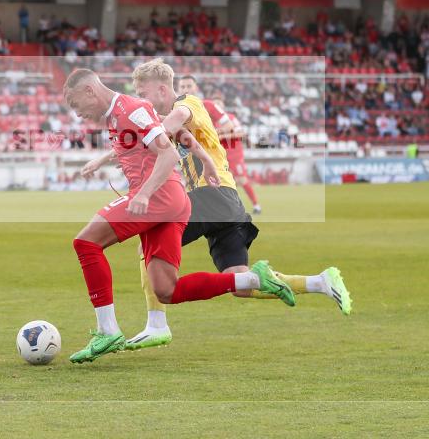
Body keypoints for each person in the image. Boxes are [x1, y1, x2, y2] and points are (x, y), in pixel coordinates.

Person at [113, 60, 350, 349]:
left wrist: (142, 136)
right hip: (226, 201)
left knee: (147, 245)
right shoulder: (173, 130)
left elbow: (176, 119)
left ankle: (157, 325)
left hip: (209, 196)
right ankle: (319, 282)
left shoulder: (188, 104)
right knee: (241, 282)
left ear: (162, 89)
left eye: (142, 92)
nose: (140, 99)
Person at [63, 68, 294, 364]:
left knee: (86, 243)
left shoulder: (128, 110)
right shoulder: (122, 113)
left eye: (75, 104)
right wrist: (207, 161)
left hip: (159, 199)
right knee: (166, 290)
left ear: (89, 92)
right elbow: (177, 135)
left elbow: (168, 154)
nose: (76, 113)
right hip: (168, 202)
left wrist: (144, 193)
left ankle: (107, 331)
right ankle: (251, 280)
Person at [178, 75, 262, 214]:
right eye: (183, 86)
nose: (186, 89)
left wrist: (215, 134)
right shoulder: (175, 108)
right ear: (178, 88)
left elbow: (237, 131)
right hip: (192, 154)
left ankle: (254, 205)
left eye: (189, 86)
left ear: (196, 88)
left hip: (228, 154)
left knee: (234, 180)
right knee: (191, 184)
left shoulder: (214, 110)